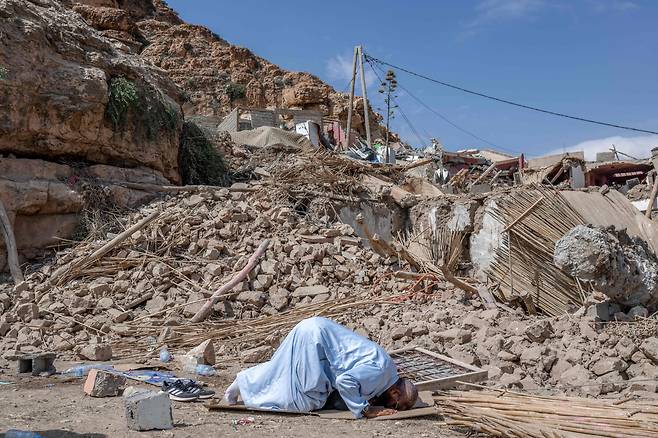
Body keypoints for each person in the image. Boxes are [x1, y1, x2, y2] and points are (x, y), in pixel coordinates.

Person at [223, 316, 418, 419]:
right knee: (304, 401)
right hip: (315, 342)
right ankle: (245, 388)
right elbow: (345, 381)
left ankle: (241, 382)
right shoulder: (381, 373)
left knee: (282, 370)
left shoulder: (387, 370)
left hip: (313, 331)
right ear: (394, 393)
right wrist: (365, 410)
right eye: (394, 405)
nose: (389, 407)